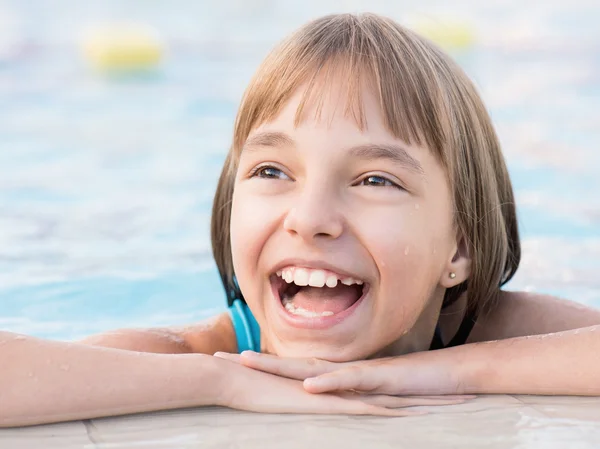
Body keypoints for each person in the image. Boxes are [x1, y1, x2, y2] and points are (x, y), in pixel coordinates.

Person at [2, 13, 599, 428]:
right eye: (271, 171)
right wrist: (221, 382)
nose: (310, 219)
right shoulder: (208, 351)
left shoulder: (484, 325)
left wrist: (438, 372)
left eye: (374, 180)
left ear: (460, 248)